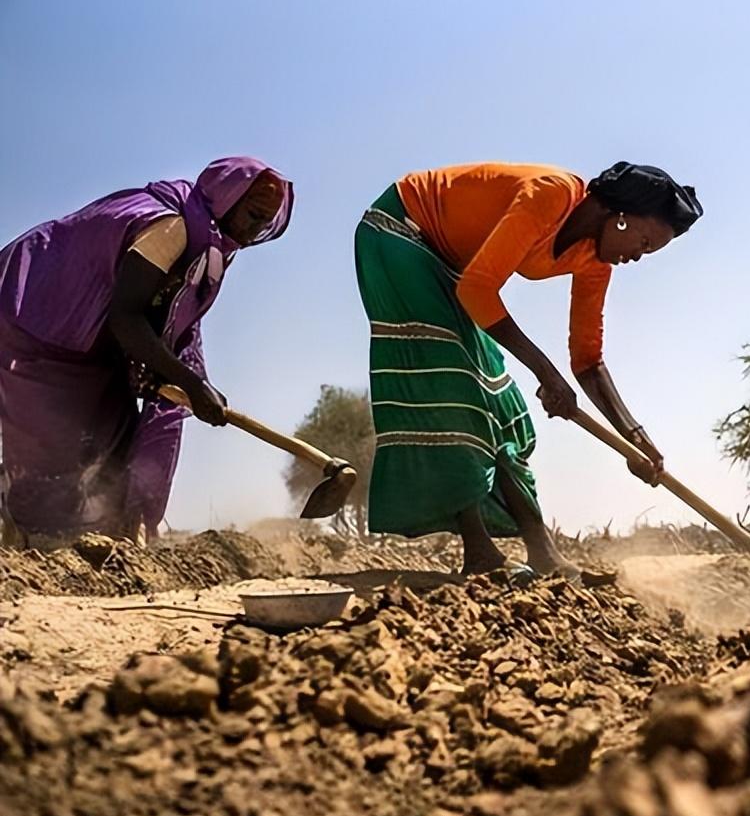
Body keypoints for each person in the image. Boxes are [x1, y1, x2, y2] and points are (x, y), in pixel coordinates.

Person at [354, 161, 702, 576]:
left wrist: (634, 437)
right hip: (398, 231)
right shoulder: (549, 195)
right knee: (457, 387)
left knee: (502, 402)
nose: (637, 258)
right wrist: (545, 373)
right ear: (621, 216)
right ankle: (480, 553)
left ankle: (541, 551)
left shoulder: (594, 260)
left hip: (452, 266)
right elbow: (479, 289)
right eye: (644, 243)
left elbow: (588, 360)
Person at [0, 157, 293, 546]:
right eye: (254, 216)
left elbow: (177, 329)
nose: (255, 232)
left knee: (114, 444)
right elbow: (127, 318)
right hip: (35, 318)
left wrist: (192, 384)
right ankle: (27, 532)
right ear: (227, 199)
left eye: (266, 226)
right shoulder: (169, 226)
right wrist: (189, 381)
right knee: (54, 451)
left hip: (92, 344)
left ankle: (115, 533)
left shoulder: (209, 252)